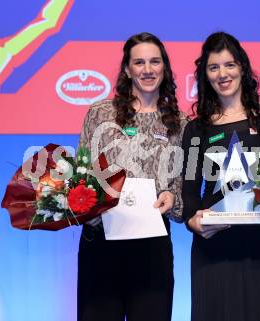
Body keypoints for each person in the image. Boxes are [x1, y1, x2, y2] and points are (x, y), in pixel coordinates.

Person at [181, 32, 260, 321]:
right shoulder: (196, 129)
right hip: (215, 249)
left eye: (230, 65)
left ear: (243, 68)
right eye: (214, 67)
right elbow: (188, 190)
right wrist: (192, 221)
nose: (223, 74)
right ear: (205, 75)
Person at [77, 32, 187, 321]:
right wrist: (87, 205)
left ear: (165, 67)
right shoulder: (100, 113)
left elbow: (180, 187)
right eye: (139, 62)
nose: (147, 70)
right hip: (101, 241)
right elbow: (82, 172)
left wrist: (172, 196)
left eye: (154, 61)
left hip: (152, 246)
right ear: (127, 69)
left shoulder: (181, 123)